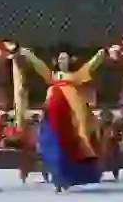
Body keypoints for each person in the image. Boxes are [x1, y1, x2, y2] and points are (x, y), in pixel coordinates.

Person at [17, 44, 114, 192]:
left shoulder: (76, 76)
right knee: (55, 145)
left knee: (73, 145)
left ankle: (69, 177)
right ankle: (57, 177)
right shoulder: (52, 77)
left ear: (70, 61)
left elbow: (90, 66)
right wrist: (29, 55)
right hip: (55, 113)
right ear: (57, 61)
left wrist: (101, 54)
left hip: (71, 114)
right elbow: (39, 66)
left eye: (65, 58)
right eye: (60, 58)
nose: (63, 60)